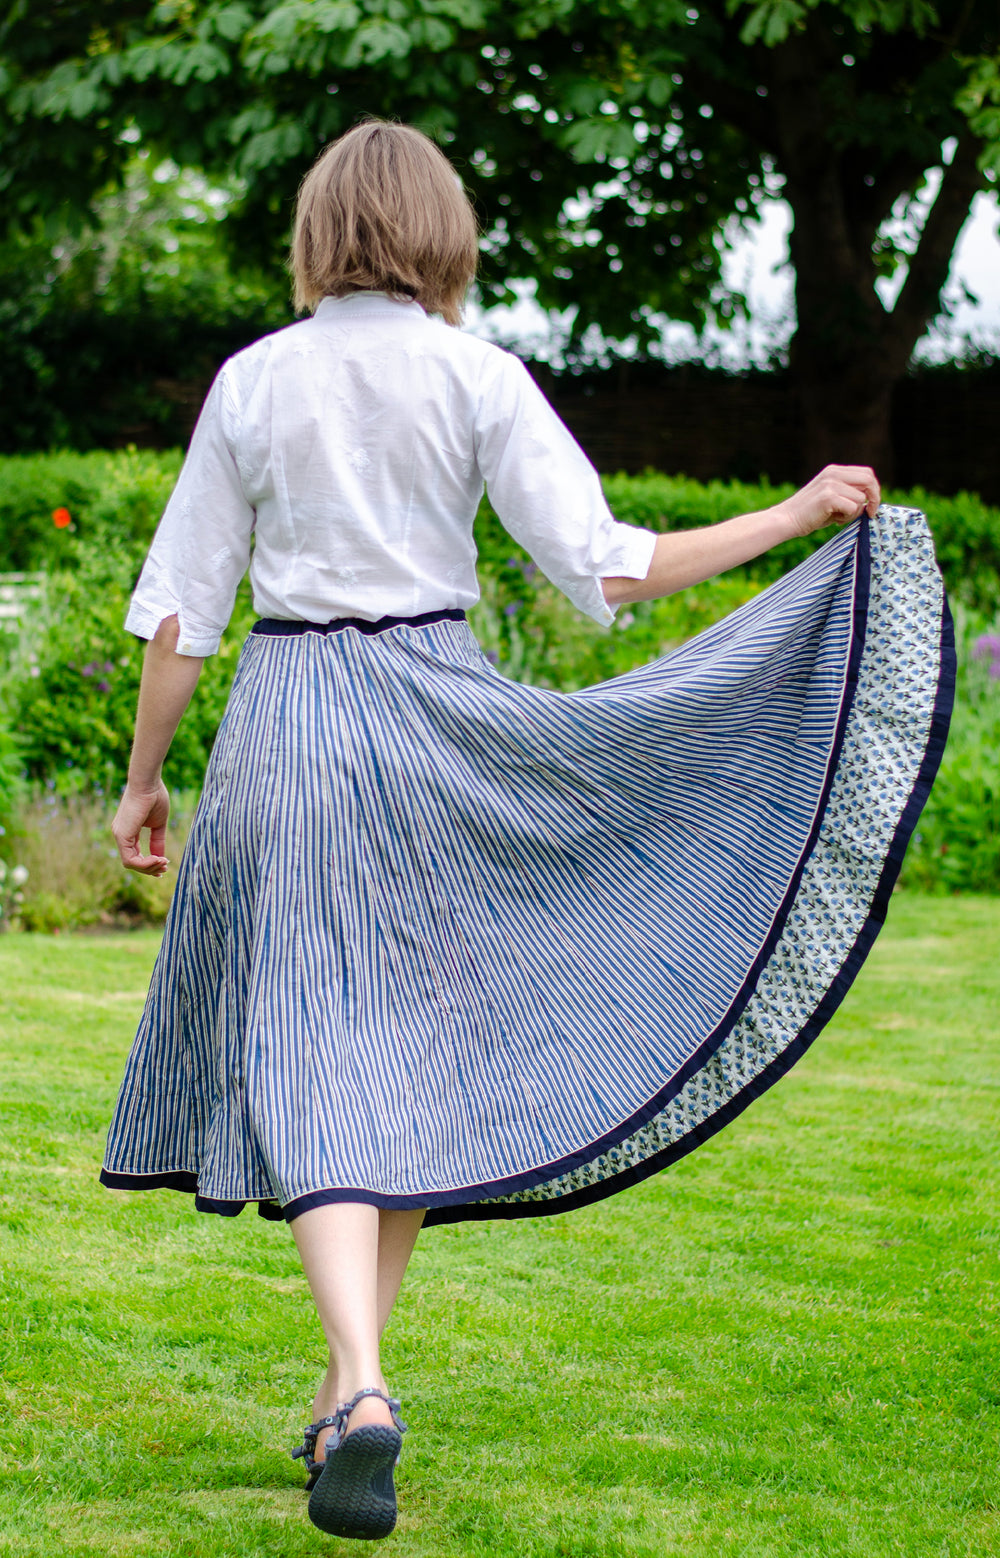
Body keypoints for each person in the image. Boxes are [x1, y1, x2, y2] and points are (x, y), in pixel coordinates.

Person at [102, 121, 953, 1542]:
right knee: (410, 1059)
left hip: (296, 720)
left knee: (307, 1047)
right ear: (442, 232)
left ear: (319, 234)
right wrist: (797, 508)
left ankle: (356, 1382)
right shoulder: (475, 372)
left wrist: (142, 778)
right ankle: (346, 1390)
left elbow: (185, 606)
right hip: (439, 720)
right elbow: (609, 569)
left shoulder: (256, 381)